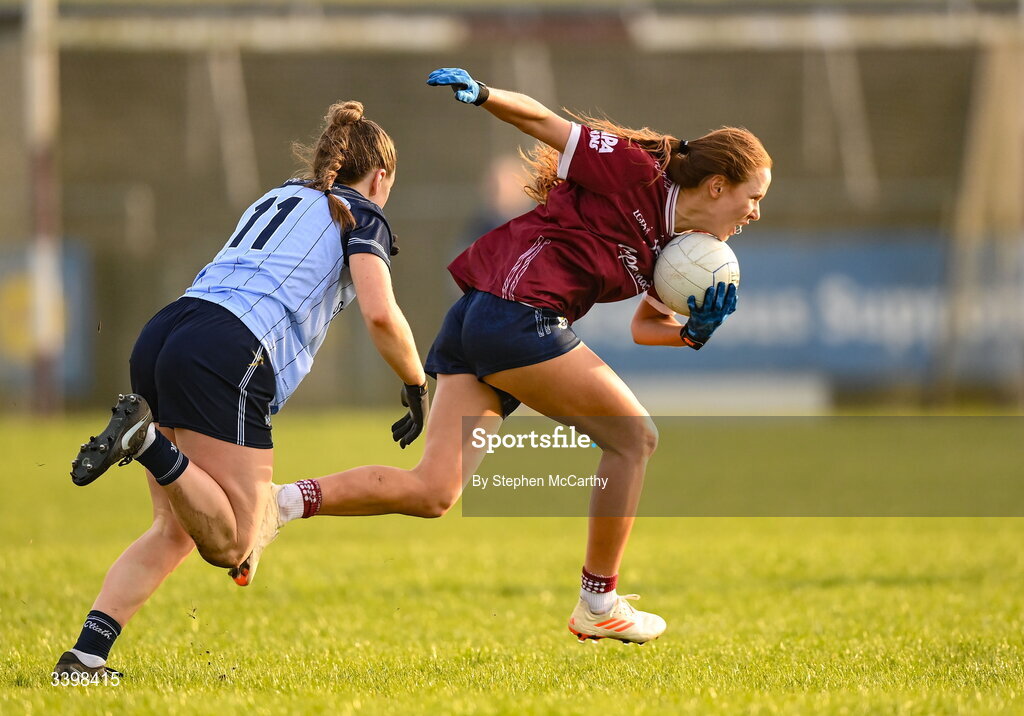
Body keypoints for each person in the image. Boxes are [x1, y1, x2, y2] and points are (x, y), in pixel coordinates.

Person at [255, 68, 772, 645]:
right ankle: (598, 600)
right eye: (754, 197)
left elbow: (647, 326)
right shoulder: (637, 169)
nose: (755, 213)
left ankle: (275, 504)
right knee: (634, 438)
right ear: (719, 185)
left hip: (486, 318)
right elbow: (544, 122)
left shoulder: (681, 249)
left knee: (433, 492)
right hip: (516, 313)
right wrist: (484, 95)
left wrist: (693, 333)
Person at [53, 100, 429, 679]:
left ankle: (84, 658)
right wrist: (414, 383)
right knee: (230, 543)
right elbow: (382, 316)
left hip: (168, 329)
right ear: (380, 177)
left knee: (177, 527)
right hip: (229, 349)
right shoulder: (361, 212)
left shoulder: (280, 194)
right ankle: (146, 439)